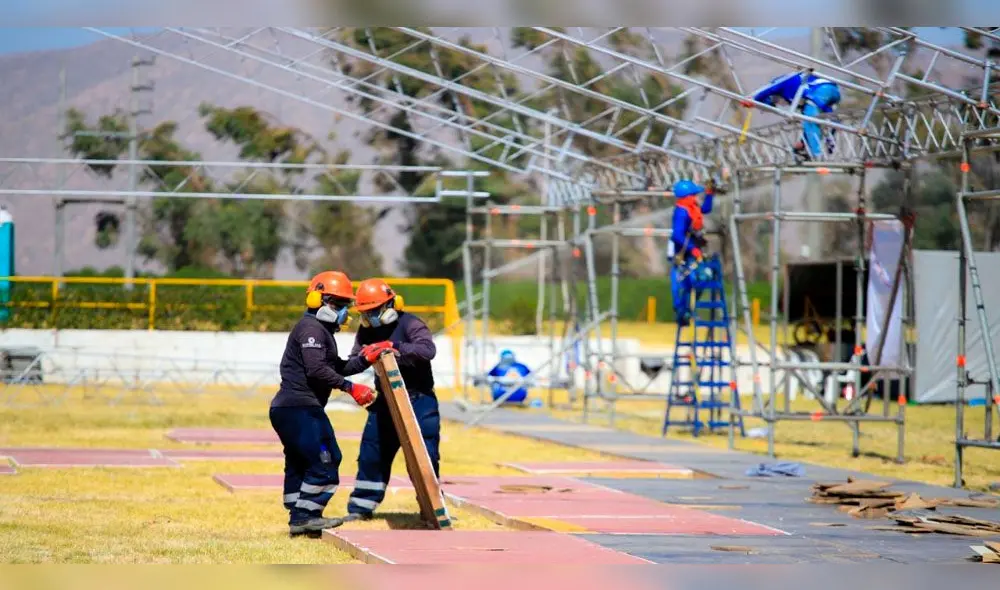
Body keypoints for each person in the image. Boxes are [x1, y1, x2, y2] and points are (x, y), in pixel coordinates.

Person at [268, 271, 378, 538]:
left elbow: (336, 366)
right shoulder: (311, 329)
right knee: (326, 458)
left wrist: (366, 359)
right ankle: (305, 516)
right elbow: (317, 370)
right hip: (299, 409)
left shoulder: (321, 331)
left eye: (345, 306)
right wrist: (351, 388)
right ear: (318, 300)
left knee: (301, 461)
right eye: (338, 305)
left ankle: (298, 513)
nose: (344, 312)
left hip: (292, 409)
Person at [336, 278, 441, 523]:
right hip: (386, 401)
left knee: (426, 455)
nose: (370, 317)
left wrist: (395, 346)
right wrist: (363, 359)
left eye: (374, 311)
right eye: (365, 312)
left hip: (419, 400)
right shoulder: (366, 330)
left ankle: (432, 507)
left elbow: (427, 350)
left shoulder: (411, 323)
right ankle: (360, 507)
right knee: (372, 453)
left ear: (391, 304)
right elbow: (354, 359)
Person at [751, 72, 841, 160]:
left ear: (774, 97)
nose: (781, 105)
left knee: (809, 118)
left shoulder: (782, 83)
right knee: (811, 118)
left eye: (776, 103)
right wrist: (803, 142)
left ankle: (816, 155)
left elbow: (770, 89)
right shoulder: (796, 95)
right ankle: (820, 146)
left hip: (823, 89)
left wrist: (754, 99)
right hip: (830, 91)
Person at [669, 179, 716, 326]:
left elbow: (706, 210)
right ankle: (683, 311)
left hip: (694, 251)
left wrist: (709, 195)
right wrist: (692, 248)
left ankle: (687, 309)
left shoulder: (692, 207)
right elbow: (677, 235)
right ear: (686, 197)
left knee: (704, 277)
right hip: (685, 254)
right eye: (694, 195)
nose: (696, 197)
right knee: (687, 282)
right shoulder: (681, 212)